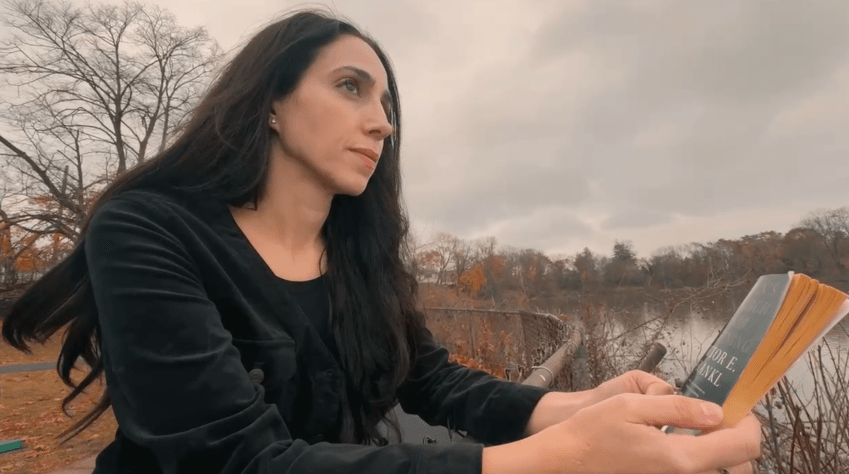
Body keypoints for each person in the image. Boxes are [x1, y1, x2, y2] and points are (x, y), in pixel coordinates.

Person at [1, 9, 762, 474]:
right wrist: (556, 458)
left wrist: (578, 405)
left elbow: (431, 382)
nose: (383, 123)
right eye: (350, 87)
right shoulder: (149, 230)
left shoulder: (356, 254)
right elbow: (235, 461)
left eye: (388, 104)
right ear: (269, 103)